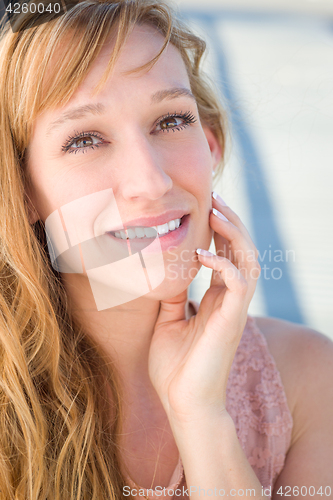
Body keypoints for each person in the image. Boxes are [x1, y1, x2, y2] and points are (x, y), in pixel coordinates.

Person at [0, 1, 332, 499]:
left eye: (172, 121)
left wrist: (200, 413)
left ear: (212, 146)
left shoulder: (305, 376)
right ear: (21, 189)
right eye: (85, 139)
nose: (151, 181)